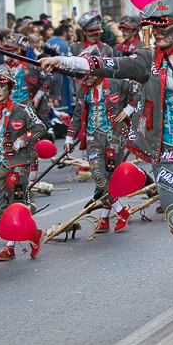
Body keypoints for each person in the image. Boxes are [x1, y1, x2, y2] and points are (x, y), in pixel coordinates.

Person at [39, 0, 173, 313]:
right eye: (154, 30)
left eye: (165, 29)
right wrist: (64, 63)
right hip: (166, 153)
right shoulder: (146, 60)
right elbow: (107, 65)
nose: (158, 36)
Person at [0, 67, 48, 261]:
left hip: (17, 164)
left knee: (17, 203)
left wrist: (23, 140)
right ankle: (32, 234)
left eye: (2, 86)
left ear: (10, 87)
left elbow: (40, 127)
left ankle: (9, 245)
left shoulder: (21, 110)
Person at [64, 44, 140, 234]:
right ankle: (121, 211)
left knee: (111, 176)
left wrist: (127, 111)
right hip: (92, 136)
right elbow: (77, 114)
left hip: (114, 133)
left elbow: (139, 92)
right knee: (98, 175)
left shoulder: (117, 80)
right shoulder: (83, 90)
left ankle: (105, 218)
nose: (87, 79)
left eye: (89, 74)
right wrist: (68, 138)